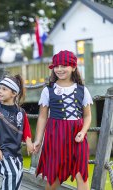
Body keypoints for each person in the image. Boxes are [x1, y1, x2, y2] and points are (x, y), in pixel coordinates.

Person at [34, 50, 93, 190]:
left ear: (73, 67)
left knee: (81, 173)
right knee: (54, 176)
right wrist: (38, 140)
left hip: (77, 136)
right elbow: (42, 117)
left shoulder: (82, 90)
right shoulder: (48, 90)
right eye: (56, 66)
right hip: (56, 136)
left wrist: (83, 132)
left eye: (64, 66)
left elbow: (87, 116)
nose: (59, 69)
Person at [0, 74, 34, 190]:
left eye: (4, 89)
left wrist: (29, 142)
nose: (0, 91)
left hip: (16, 151)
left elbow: (25, 129)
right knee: (12, 174)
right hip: (2, 150)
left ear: (14, 93)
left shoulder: (21, 112)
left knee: (18, 175)